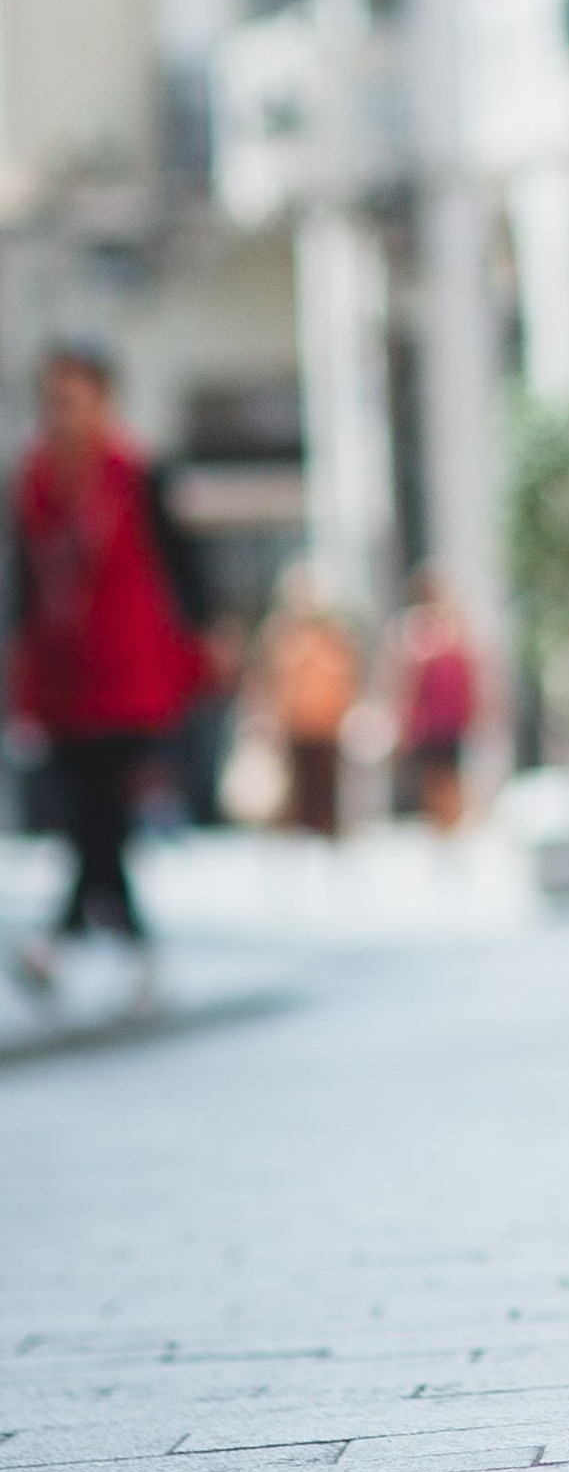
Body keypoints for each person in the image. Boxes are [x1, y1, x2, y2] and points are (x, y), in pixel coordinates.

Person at [4, 343, 212, 999]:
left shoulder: (136, 471)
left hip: (130, 671)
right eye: (51, 400)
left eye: (73, 398)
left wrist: (204, 639)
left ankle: (62, 941)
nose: (60, 413)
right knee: (90, 810)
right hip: (62, 674)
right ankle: (124, 944)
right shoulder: (32, 481)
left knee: (100, 804)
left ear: (103, 400)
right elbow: (23, 583)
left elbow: (183, 565)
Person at [259, 570, 363, 839]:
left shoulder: (335, 638)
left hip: (328, 725)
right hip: (296, 726)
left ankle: (328, 834)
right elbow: (275, 683)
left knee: (327, 788)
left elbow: (347, 679)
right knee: (297, 789)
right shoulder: (284, 637)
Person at [384, 569, 484, 831]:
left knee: (450, 776)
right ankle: (442, 828)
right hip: (428, 721)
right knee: (432, 778)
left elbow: (469, 673)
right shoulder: (413, 630)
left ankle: (453, 827)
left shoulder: (455, 628)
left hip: (451, 719)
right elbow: (406, 679)